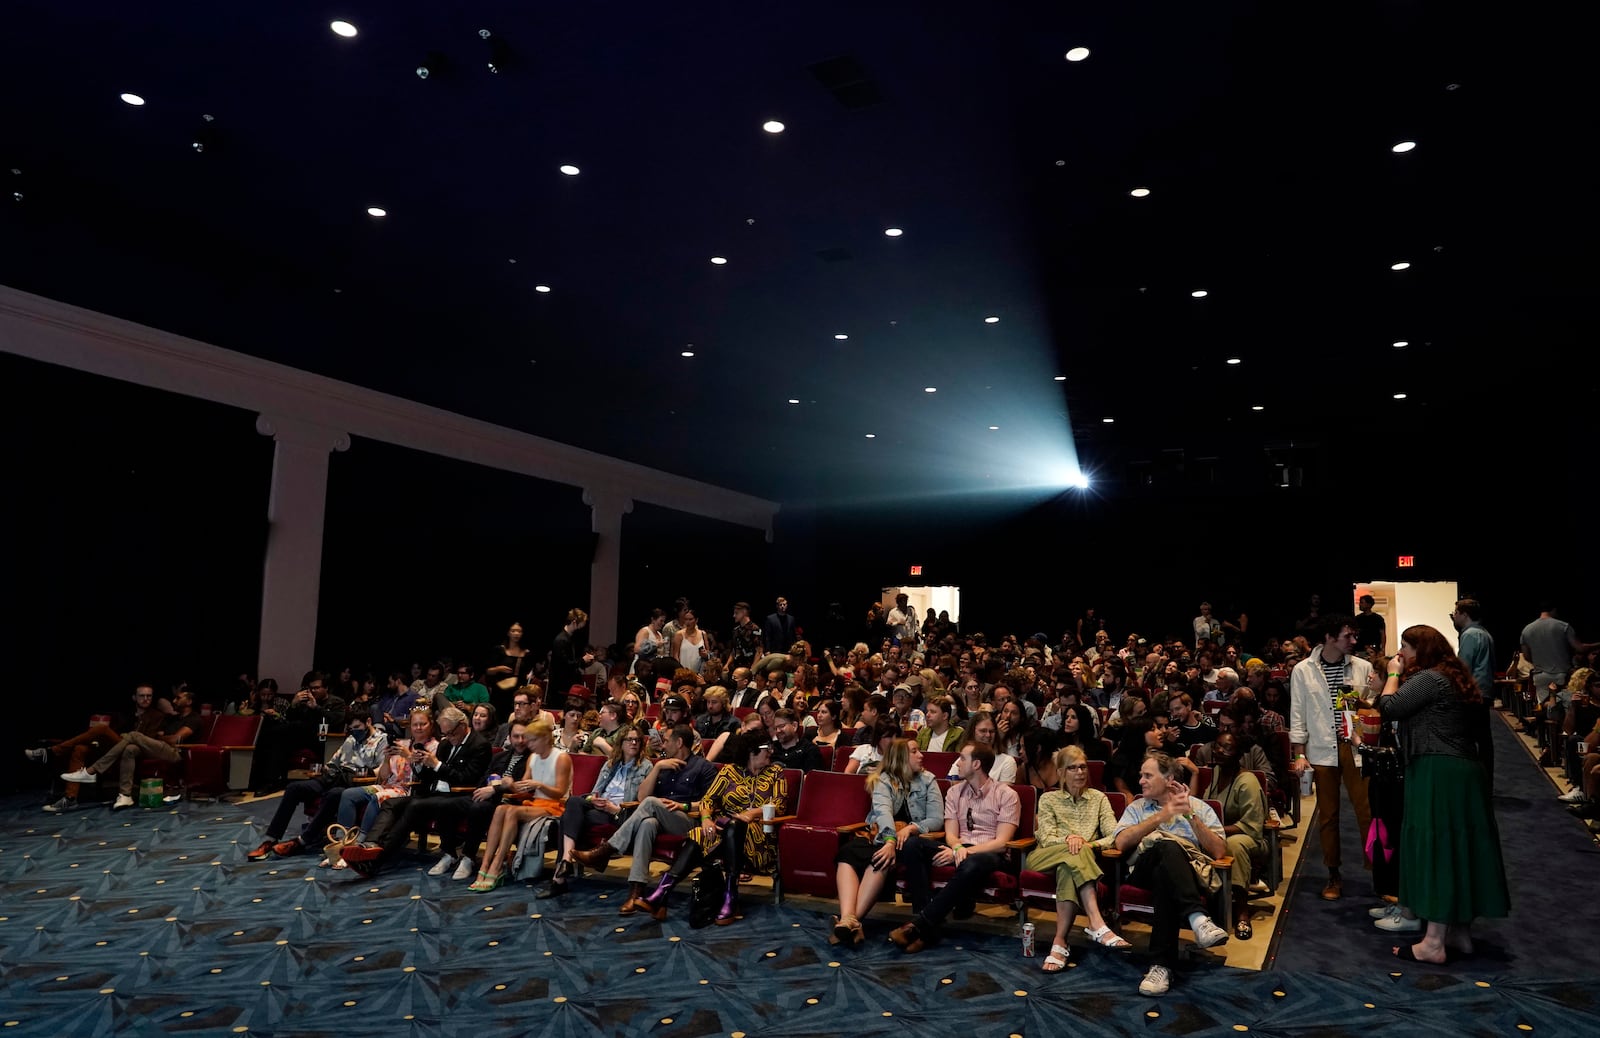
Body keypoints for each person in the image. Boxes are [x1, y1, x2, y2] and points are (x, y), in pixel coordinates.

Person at [1377, 625, 1510, 963]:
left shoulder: (1430, 678)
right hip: (1463, 771)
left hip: (1437, 772)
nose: (1401, 653)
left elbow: (1389, 706)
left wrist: (1392, 674)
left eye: (1406, 646)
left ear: (1421, 650)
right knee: (1461, 847)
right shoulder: (1453, 678)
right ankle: (1459, 934)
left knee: (1439, 848)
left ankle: (1433, 942)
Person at [631, 731, 787, 926]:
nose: (770, 752)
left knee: (733, 826)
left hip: (758, 838)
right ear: (751, 752)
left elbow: (780, 805)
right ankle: (665, 891)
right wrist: (705, 819)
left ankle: (668, 894)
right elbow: (707, 801)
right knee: (700, 833)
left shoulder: (775, 773)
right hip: (723, 833)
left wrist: (752, 814)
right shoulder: (729, 772)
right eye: (766, 749)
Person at [1113, 751, 1230, 996]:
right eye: (1141, 776)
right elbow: (1121, 844)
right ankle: (1198, 919)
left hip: (1184, 876)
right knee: (1167, 846)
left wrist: (1189, 815)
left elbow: (1219, 851)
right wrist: (1161, 817)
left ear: (1169, 779)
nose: (1141, 781)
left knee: (1165, 876)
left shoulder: (1198, 807)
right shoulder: (1136, 807)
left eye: (1148, 775)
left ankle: (1160, 966)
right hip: (1140, 872)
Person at [890, 743, 1020, 953]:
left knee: (973, 861)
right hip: (958, 848)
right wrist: (957, 847)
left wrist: (965, 851)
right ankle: (926, 929)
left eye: (962, 758)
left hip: (990, 854)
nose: (957, 763)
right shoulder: (955, 792)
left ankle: (921, 925)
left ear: (976, 764)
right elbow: (950, 833)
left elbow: (1002, 842)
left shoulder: (1006, 795)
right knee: (913, 844)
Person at [576, 724, 720, 911]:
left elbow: (712, 803)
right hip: (660, 817)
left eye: (666, 740)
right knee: (647, 824)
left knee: (652, 804)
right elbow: (642, 798)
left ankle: (606, 850)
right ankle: (636, 892)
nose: (662, 744)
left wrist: (684, 805)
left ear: (679, 742)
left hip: (688, 821)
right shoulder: (664, 765)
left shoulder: (704, 767)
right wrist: (657, 767)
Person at [1288, 615, 1375, 901]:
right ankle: (1332, 874)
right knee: (1328, 816)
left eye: (1354, 635)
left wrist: (1372, 694)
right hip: (1322, 750)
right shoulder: (1303, 670)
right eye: (1347, 636)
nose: (1354, 641)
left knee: (1368, 813)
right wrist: (1299, 754)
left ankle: (1379, 875)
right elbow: (1298, 712)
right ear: (1329, 637)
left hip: (1356, 748)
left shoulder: (1363, 667)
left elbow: (1373, 709)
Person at [1025, 744, 1130, 970]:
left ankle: (1060, 942)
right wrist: (1070, 841)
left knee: (1069, 867)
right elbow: (1045, 836)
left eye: (1083, 767)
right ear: (1061, 772)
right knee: (1074, 853)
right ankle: (1096, 921)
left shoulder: (1099, 799)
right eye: (1073, 768)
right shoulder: (1048, 800)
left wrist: (1088, 845)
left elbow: (1114, 835)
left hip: (1072, 863)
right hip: (1044, 857)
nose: (1080, 772)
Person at [830, 739, 942, 947]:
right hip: (882, 837)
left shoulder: (928, 780)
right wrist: (889, 840)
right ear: (900, 758)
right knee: (848, 852)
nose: (921, 755)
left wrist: (911, 828)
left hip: (910, 845)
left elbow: (936, 819)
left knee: (880, 858)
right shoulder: (883, 779)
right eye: (915, 751)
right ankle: (849, 919)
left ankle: (850, 922)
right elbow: (882, 812)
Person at [247, 715, 389, 860]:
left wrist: (362, 773)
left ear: (368, 722)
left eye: (357, 728)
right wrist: (324, 770)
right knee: (293, 788)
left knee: (334, 794)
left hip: (355, 784)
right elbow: (333, 762)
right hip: (334, 778)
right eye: (351, 729)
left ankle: (302, 841)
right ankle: (271, 839)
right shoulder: (350, 739)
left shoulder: (381, 740)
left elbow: (381, 771)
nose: (354, 731)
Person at [540, 723, 649, 899]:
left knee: (565, 820)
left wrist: (613, 808)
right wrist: (594, 800)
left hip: (620, 814)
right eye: (629, 739)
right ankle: (567, 861)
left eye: (637, 740)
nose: (634, 743)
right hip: (598, 809)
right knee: (575, 801)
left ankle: (559, 877)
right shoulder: (610, 765)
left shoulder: (645, 767)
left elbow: (642, 803)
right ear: (621, 743)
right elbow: (594, 792)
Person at [463, 718, 573, 890]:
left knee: (512, 812)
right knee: (500, 809)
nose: (528, 743)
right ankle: (485, 865)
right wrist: (510, 784)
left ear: (545, 738)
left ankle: (497, 865)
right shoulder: (533, 758)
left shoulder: (561, 758)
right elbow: (522, 790)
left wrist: (539, 785)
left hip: (555, 805)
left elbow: (560, 792)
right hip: (534, 802)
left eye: (532, 739)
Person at [61, 686, 197, 809]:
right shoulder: (172, 719)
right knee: (130, 749)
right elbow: (161, 734)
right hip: (158, 749)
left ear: (189, 701)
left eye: (178, 698)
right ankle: (125, 795)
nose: (174, 701)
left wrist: (161, 737)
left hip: (176, 753)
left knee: (133, 735)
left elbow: (174, 739)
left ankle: (91, 771)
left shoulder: (193, 719)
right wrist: (160, 737)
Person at [1201, 731, 1268, 939]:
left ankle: (1241, 911)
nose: (1220, 751)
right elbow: (1203, 807)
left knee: (1235, 845)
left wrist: (1215, 831)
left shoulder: (1247, 781)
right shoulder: (1214, 774)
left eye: (1227, 748)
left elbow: (1252, 825)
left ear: (1238, 754)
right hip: (1218, 835)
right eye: (1218, 746)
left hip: (1250, 839)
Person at [1521, 603, 1598, 733]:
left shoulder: (1527, 630)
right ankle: (1562, 741)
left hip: (1540, 676)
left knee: (1549, 710)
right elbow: (1579, 648)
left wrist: (1542, 661)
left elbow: (1527, 656)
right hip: (1562, 675)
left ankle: (1549, 742)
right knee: (1564, 710)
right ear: (1554, 609)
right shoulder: (1563, 626)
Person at [670, 609, 710, 676]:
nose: (688, 622)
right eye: (686, 619)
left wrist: (705, 654)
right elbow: (675, 655)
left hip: (699, 674)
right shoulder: (679, 635)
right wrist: (679, 671)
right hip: (684, 673)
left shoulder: (703, 634)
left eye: (690, 619)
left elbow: (708, 652)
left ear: (696, 620)